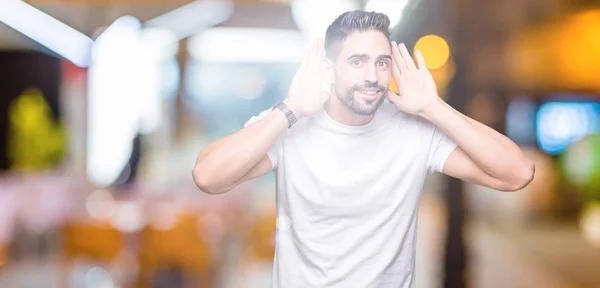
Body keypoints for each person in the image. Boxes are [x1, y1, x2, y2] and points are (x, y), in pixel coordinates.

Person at [192, 10, 534, 288]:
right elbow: (208, 177)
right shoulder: (292, 122)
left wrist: (434, 107)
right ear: (330, 67)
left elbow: (516, 174)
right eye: (357, 61)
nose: (372, 75)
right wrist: (291, 108)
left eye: (381, 62)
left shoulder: (414, 130)